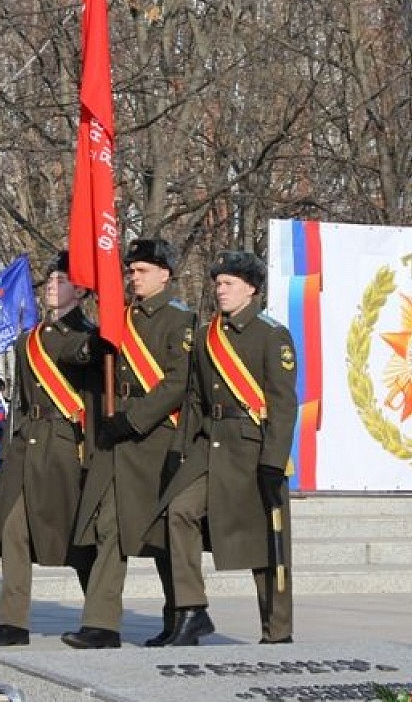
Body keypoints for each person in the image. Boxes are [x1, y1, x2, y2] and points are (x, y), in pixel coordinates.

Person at [147, 250, 297, 647]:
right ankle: (192, 609)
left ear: (251, 289)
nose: (220, 290)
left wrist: (273, 462)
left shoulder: (272, 335)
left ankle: (277, 631)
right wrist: (180, 450)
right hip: (209, 447)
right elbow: (194, 398)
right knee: (179, 512)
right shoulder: (205, 336)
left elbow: (283, 406)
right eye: (217, 283)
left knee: (265, 543)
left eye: (228, 283)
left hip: (252, 449)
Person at [62, 238, 194, 650]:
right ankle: (102, 624)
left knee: (160, 534)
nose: (134, 277)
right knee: (108, 527)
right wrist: (94, 344)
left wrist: (133, 419)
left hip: (155, 437)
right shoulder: (118, 318)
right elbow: (72, 353)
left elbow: (178, 381)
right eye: (131, 271)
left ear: (164, 274)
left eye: (142, 271)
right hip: (115, 437)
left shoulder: (180, 321)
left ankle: (181, 617)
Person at [0, 252, 100, 647]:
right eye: (49, 279)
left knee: (78, 538)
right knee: (12, 530)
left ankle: (100, 618)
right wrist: (6, 450)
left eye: (62, 280)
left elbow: (83, 359)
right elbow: (19, 400)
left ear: (80, 291)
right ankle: (13, 622)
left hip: (64, 445)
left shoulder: (88, 336)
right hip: (26, 444)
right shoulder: (27, 339)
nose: (51, 285)